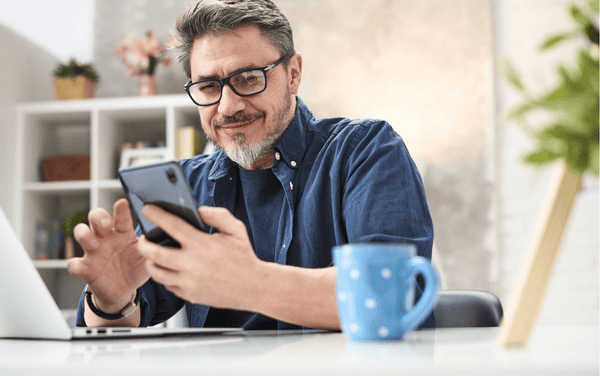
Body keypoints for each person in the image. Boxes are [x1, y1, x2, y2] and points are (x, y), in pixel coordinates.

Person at [67, 0, 435, 330]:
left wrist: (249, 283)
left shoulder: (364, 150)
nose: (227, 106)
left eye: (247, 79)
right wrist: (111, 299)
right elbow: (131, 317)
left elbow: (392, 297)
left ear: (293, 73)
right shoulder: (188, 184)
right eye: (209, 87)